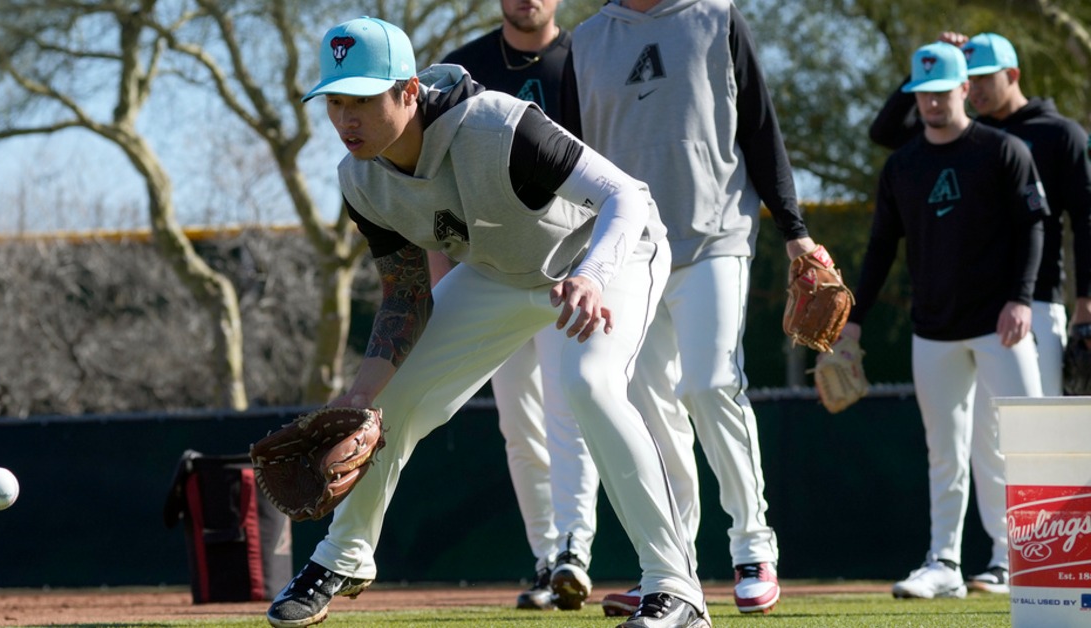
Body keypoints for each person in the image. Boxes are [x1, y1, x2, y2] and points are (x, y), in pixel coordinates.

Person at [267, 16, 712, 628]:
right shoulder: (360, 180)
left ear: (408, 91)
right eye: (335, 101)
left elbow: (626, 197)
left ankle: (675, 587)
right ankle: (342, 557)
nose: (347, 119)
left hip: (607, 253)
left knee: (589, 384)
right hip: (501, 273)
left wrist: (592, 275)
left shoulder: (496, 124)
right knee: (386, 406)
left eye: (364, 100)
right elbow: (405, 295)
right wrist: (362, 395)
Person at [561, 0, 822, 615]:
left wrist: (795, 231)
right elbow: (569, 160)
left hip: (715, 236)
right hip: (629, 253)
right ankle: (673, 569)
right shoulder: (586, 40)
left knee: (710, 385)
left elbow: (760, 129)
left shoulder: (717, 18)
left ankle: (752, 546)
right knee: (650, 411)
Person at [868, 31, 1091, 593]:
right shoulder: (932, 146)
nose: (976, 91)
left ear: (1005, 77)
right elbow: (886, 133)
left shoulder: (1051, 136)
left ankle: (1043, 560)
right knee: (972, 443)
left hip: (1033, 302)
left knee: (1033, 437)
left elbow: (1076, 221)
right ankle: (989, 558)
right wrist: (925, 68)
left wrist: (1083, 302)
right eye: (928, 89)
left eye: (979, 79)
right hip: (962, 314)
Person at [436, 0, 602, 611]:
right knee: (519, 424)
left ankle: (573, 551)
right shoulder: (463, 68)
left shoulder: (588, 59)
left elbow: (613, 178)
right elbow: (436, 182)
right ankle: (546, 559)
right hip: (493, 271)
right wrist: (438, 288)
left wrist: (601, 270)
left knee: (569, 409)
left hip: (570, 265)